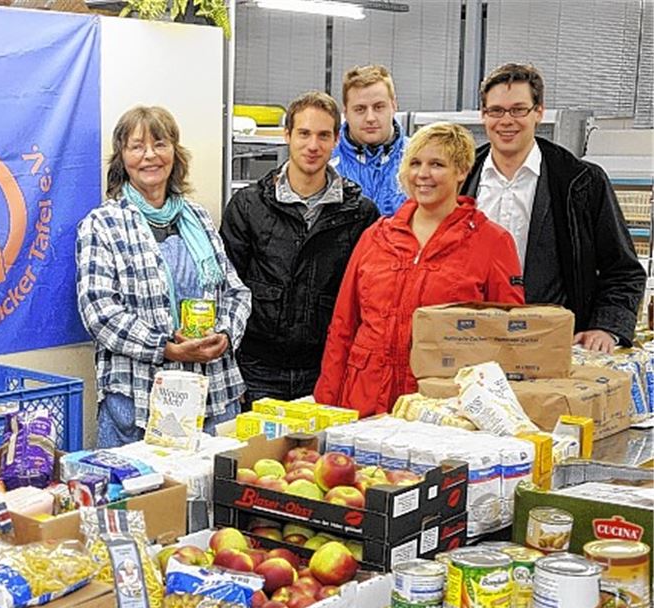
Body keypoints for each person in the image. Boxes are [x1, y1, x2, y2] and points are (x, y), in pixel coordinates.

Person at [315, 123, 524, 416]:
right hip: (364, 399)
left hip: (441, 409)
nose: (423, 174)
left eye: (436, 164)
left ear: (462, 170)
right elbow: (342, 327)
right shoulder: (376, 236)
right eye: (415, 163)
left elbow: (508, 338)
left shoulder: (492, 242)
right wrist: (326, 407)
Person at [76, 105, 252, 448]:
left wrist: (226, 335)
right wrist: (166, 348)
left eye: (160, 144)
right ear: (122, 158)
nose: (150, 156)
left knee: (207, 499)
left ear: (175, 153)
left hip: (212, 395)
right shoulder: (103, 223)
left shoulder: (198, 219)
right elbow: (99, 313)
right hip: (139, 400)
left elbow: (236, 293)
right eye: (137, 146)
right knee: (141, 500)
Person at [463, 63, 644, 352]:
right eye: (496, 110)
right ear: (483, 115)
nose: (506, 120)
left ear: (539, 112)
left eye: (519, 109)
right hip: (471, 340)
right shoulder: (458, 176)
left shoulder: (580, 182)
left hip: (554, 345)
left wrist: (607, 326)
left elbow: (623, 270)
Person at [221, 91, 379, 403]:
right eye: (304, 133)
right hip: (256, 369)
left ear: (336, 139)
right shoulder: (247, 206)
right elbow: (225, 288)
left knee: (315, 454)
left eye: (323, 135)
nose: (312, 146)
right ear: (287, 135)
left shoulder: (361, 213)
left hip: (324, 370)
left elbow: (364, 300)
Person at [331, 65, 409, 216]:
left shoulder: (418, 159)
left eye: (379, 107)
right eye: (360, 109)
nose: (370, 118)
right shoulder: (324, 162)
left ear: (394, 106)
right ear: (346, 112)